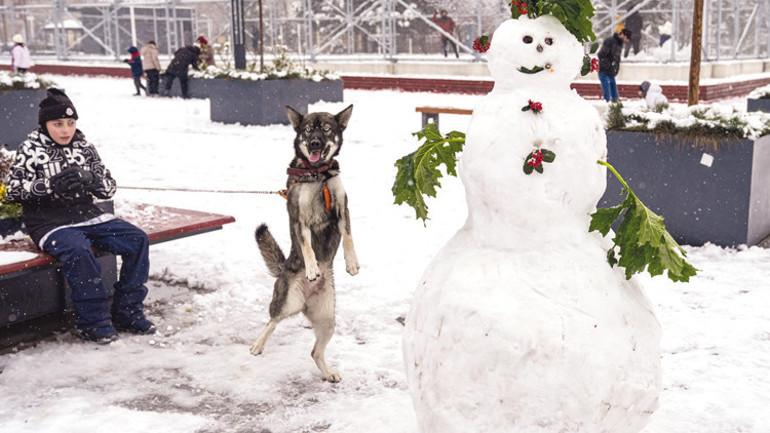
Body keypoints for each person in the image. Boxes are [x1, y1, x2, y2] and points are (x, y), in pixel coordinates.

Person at [4, 88, 154, 344]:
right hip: (49, 222)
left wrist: (92, 179)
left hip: (88, 215)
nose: (66, 130)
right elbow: (13, 190)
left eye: (71, 123)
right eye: (58, 124)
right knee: (79, 251)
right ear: (45, 124)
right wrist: (48, 186)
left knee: (137, 240)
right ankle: (94, 322)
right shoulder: (30, 148)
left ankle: (127, 311)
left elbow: (108, 187)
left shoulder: (84, 146)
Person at [597, 29, 631, 102]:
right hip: (604, 71)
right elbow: (601, 55)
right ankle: (606, 106)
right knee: (607, 96)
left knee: (615, 96)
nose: (627, 40)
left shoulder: (619, 44)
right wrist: (609, 65)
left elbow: (616, 58)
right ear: (622, 35)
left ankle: (616, 107)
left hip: (611, 72)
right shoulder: (610, 42)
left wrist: (614, 68)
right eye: (627, 38)